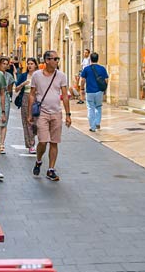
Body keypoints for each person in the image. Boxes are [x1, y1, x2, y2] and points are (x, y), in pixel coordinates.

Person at [27, 50, 71, 181]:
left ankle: (51, 169)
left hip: (56, 113)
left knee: (54, 142)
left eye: (58, 59)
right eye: (55, 59)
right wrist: (29, 113)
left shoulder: (61, 76)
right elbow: (32, 94)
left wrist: (68, 114)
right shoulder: (36, 75)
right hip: (42, 113)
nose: (57, 61)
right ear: (47, 60)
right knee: (43, 141)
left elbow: (64, 96)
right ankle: (39, 160)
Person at [14, 57, 38, 154]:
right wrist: (23, 84)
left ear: (36, 65)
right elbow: (16, 89)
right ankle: (31, 144)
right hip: (25, 99)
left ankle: (35, 138)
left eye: (32, 63)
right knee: (27, 122)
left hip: (37, 100)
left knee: (37, 122)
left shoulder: (40, 75)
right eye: (28, 64)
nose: (30, 65)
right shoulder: (24, 76)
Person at [79, 52, 109, 132]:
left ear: (90, 59)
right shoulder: (102, 69)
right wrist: (105, 89)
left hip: (89, 91)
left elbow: (82, 80)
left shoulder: (86, 69)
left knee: (90, 108)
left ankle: (92, 127)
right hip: (99, 91)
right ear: (97, 59)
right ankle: (97, 123)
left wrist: (82, 89)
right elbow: (106, 80)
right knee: (98, 107)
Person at [0, 56, 16, 154]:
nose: (5, 66)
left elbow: (9, 89)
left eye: (6, 64)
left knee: (4, 121)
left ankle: (1, 144)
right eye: (3, 63)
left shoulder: (9, 76)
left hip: (5, 98)